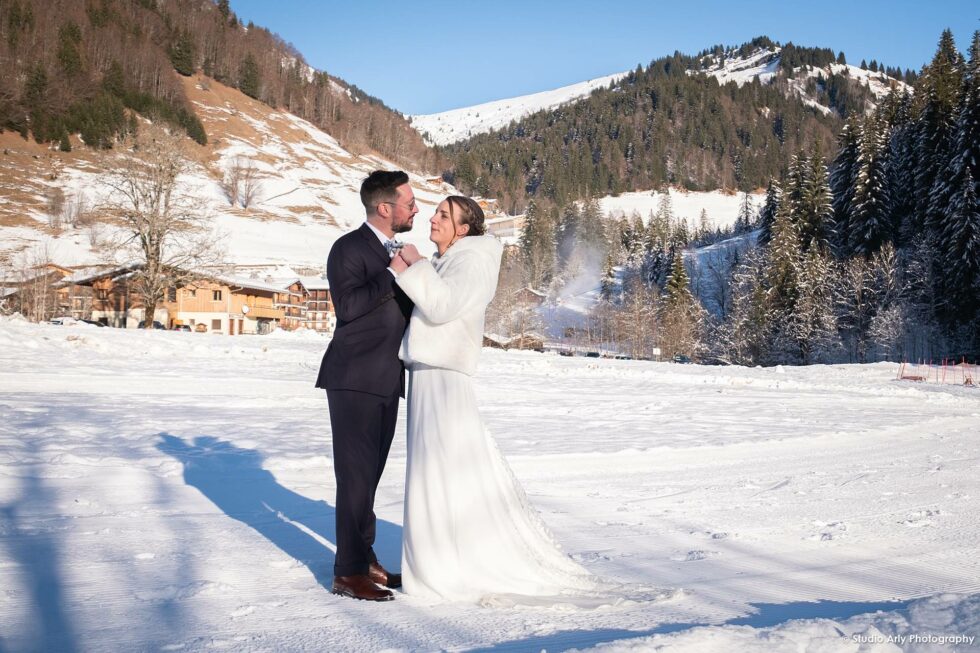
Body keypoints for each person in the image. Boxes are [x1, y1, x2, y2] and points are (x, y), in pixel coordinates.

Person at [392, 196, 603, 605]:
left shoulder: (472, 262)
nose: (432, 219)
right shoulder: (451, 259)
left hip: (443, 375)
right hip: (430, 372)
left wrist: (414, 266)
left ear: (463, 229)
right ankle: (435, 560)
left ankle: (443, 568)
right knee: (433, 469)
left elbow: (441, 306)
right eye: (435, 212)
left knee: (442, 469)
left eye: (443, 216)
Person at [315, 170, 417, 602]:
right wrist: (394, 272)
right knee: (354, 478)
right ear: (384, 207)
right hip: (354, 379)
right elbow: (351, 307)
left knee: (369, 478)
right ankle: (347, 572)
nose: (415, 209)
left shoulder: (398, 253)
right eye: (409, 202)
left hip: (385, 380)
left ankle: (365, 556)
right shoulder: (348, 249)